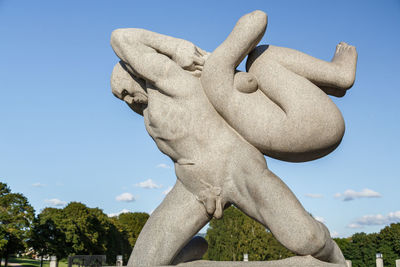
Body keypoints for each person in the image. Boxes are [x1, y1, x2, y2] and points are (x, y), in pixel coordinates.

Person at [110, 10, 352, 266]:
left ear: (137, 72)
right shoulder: (150, 114)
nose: (128, 100)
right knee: (141, 263)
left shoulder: (171, 81)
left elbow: (121, 37)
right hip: (194, 188)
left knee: (307, 239)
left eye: (125, 90)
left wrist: (176, 46)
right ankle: (185, 252)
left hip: (237, 169)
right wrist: (196, 183)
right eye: (120, 98)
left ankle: (336, 259)